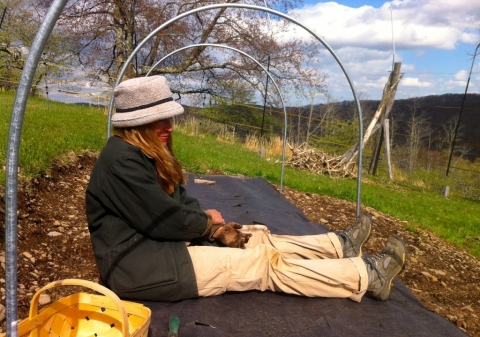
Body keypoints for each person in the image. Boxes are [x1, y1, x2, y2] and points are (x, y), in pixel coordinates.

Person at [86, 75, 407, 303]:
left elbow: (177, 197)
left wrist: (208, 223)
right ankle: (365, 277)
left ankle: (338, 247)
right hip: (141, 268)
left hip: (160, 248)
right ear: (136, 124)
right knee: (262, 265)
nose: (169, 126)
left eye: (168, 118)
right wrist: (209, 227)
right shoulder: (121, 163)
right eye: (159, 120)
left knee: (256, 236)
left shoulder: (145, 151)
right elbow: (165, 219)